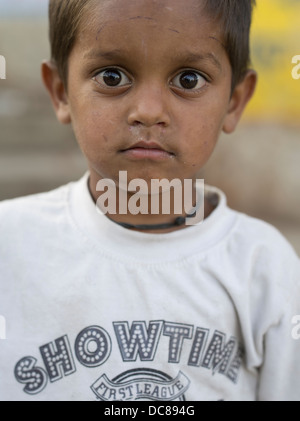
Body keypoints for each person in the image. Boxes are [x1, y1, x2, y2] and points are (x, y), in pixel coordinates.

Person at [0, 0, 299, 402]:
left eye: (189, 80)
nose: (148, 111)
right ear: (61, 92)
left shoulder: (265, 271)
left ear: (234, 100)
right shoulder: (10, 247)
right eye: (112, 76)